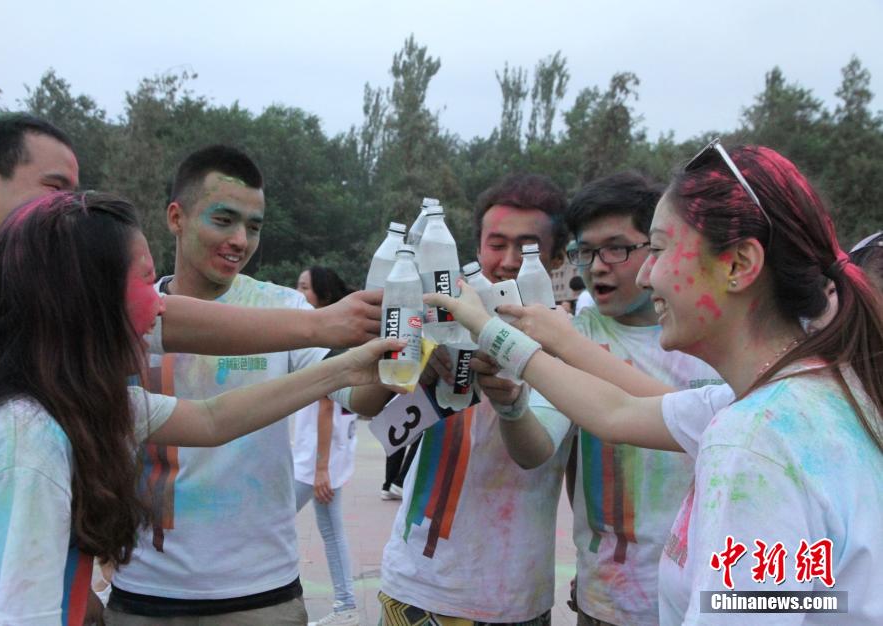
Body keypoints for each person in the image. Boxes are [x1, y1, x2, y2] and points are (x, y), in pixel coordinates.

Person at [432, 141, 883, 624]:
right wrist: (493, 332)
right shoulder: (810, 394)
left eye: (661, 249)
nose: (647, 275)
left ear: (738, 265)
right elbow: (619, 411)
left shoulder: (753, 444)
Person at [0, 191, 400, 625]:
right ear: (91, 301)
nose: (162, 309)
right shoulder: (27, 444)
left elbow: (211, 418)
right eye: (145, 282)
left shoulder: (72, 400)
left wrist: (345, 370)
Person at [107, 146, 377, 625]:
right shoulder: (126, 317)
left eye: (253, 227)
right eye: (224, 220)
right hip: (144, 592)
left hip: (260, 594)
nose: (240, 240)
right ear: (177, 217)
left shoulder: (284, 310)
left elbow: (355, 394)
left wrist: (396, 369)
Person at [0, 113, 381, 356]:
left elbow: (210, 422)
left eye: (253, 227)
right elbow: (165, 320)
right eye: (56, 189)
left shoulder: (15, 281)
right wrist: (321, 323)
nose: (68, 211)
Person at [501, 171, 722, 625]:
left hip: (708, 597)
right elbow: (537, 446)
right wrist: (510, 404)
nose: (598, 265)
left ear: (659, 248)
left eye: (617, 248)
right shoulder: (566, 337)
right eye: (586, 251)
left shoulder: (713, 341)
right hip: (610, 604)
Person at [352, 173, 573, 625]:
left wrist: (511, 403)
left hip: (513, 596)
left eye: (527, 247)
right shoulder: (434, 314)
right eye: (497, 243)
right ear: (474, 248)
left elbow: (536, 451)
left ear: (553, 259)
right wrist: (408, 361)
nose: (508, 261)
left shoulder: (568, 342)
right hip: (416, 584)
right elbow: (363, 403)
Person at [294, 266, 361, 626]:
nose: (298, 292)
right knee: (332, 530)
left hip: (317, 458)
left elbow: (325, 406)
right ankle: (347, 605)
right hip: (326, 453)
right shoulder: (330, 337)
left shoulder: (327, 342)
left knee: (271, 522)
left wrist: (320, 467)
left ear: (321, 295)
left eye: (304, 287)